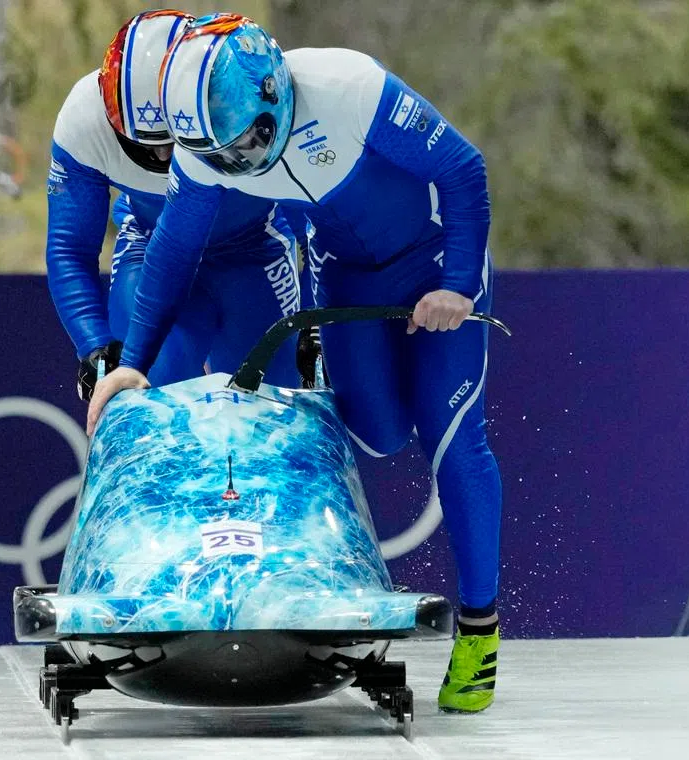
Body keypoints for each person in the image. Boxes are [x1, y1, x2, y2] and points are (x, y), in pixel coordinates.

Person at [89, 15, 503, 712]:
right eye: (218, 154)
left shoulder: (349, 88)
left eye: (248, 140)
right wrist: (134, 362)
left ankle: (479, 631)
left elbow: (463, 170)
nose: (239, 162)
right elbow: (170, 255)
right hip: (349, 279)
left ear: (275, 97)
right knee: (373, 430)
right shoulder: (204, 151)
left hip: (433, 266)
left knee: (451, 438)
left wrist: (459, 283)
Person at [46, 9, 301, 401]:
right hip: (150, 252)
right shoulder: (83, 119)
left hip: (253, 251)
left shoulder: (242, 99)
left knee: (267, 408)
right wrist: (95, 347)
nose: (163, 157)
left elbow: (314, 202)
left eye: (172, 137)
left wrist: (317, 325)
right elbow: (69, 248)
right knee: (147, 395)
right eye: (143, 145)